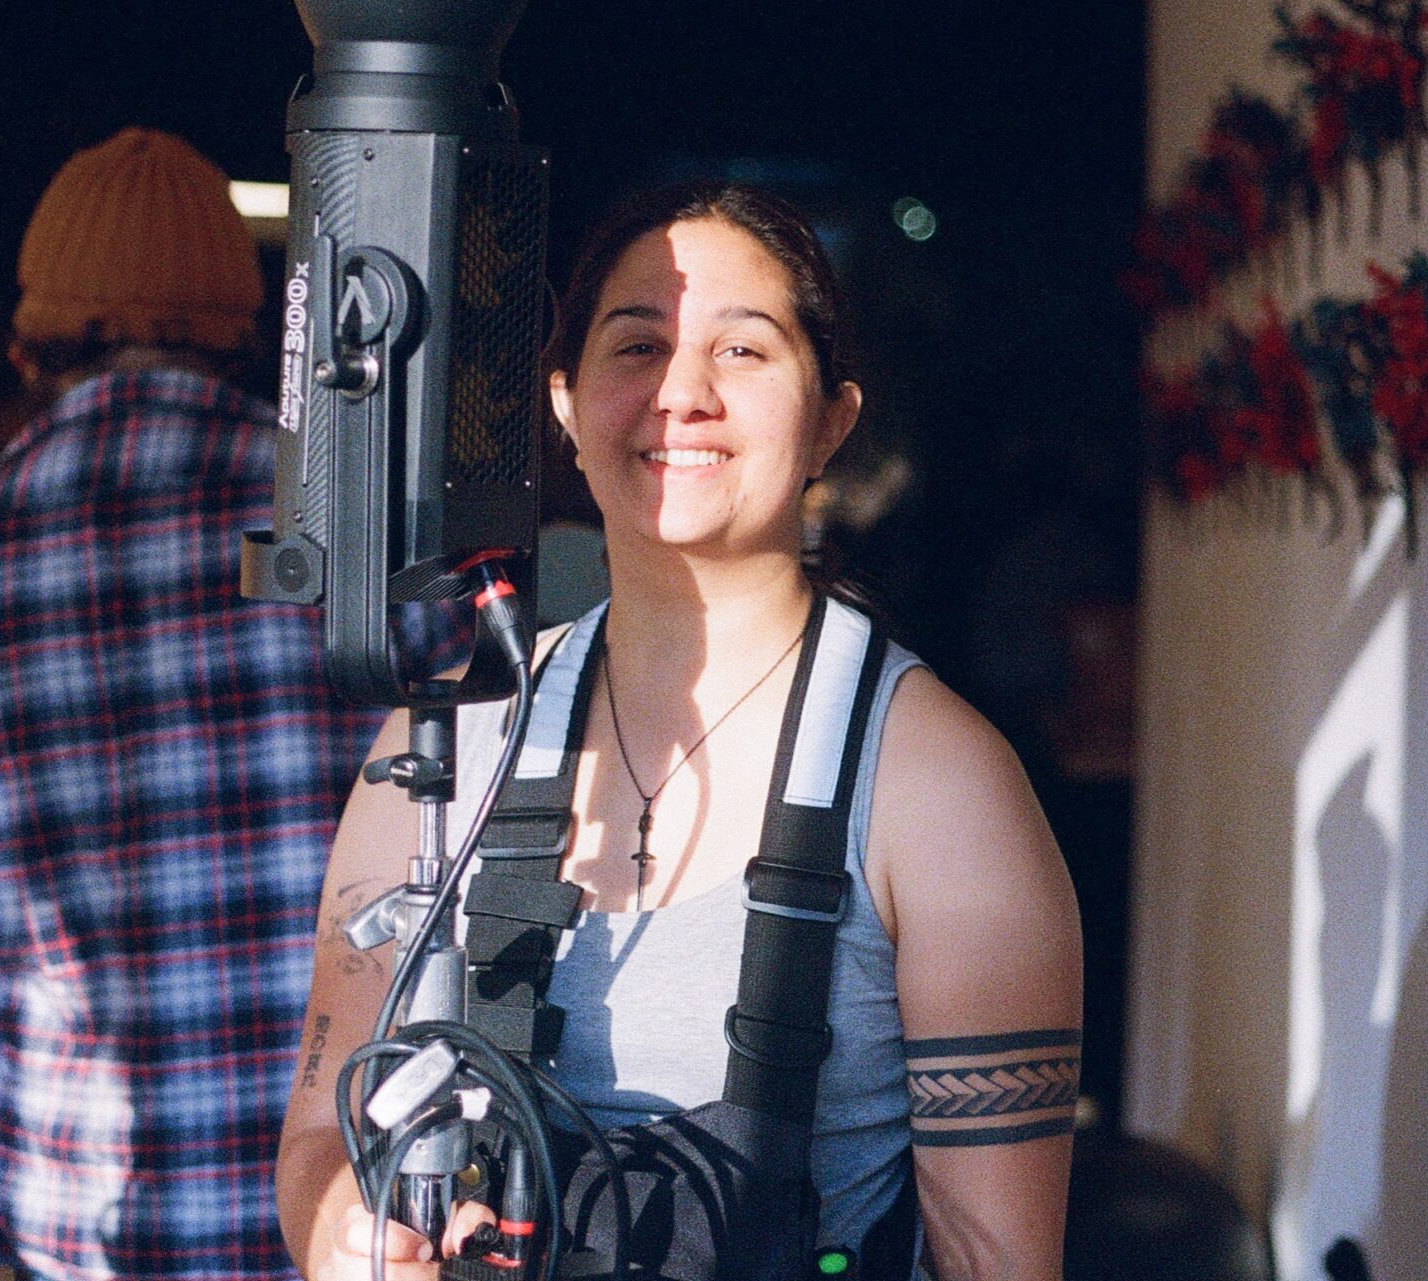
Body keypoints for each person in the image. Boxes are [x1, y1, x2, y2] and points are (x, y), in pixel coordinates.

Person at [278, 181, 1084, 1281]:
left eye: (742, 350)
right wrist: (345, 1231)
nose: (682, 393)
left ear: (833, 419)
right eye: (637, 346)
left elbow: (999, 1265)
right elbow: (320, 1133)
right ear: (565, 406)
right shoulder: (446, 742)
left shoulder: (938, 784)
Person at [0, 127, 470, 1281]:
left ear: (30, 345)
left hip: (75, 1220)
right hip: (347, 1215)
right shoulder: (368, 539)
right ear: (249, 333)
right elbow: (469, 868)